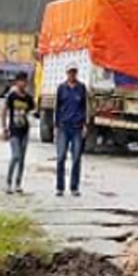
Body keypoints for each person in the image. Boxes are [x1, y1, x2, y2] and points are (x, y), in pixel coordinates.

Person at [55, 65, 88, 197]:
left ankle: (74, 187)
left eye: (74, 73)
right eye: (70, 73)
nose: (72, 75)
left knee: (76, 158)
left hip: (77, 127)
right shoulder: (62, 88)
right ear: (66, 73)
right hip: (63, 127)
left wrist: (85, 124)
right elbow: (57, 108)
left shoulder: (81, 88)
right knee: (61, 157)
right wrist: (56, 126)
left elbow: (85, 107)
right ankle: (60, 187)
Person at [1, 72, 35, 194]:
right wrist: (4, 128)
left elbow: (32, 110)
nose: (23, 83)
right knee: (16, 156)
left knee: (22, 159)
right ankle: (8, 182)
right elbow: (4, 111)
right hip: (13, 131)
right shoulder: (11, 96)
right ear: (16, 82)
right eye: (21, 81)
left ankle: (18, 183)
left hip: (24, 131)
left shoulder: (28, 98)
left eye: (25, 81)